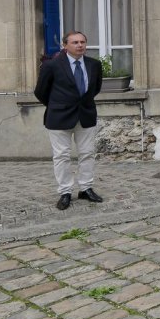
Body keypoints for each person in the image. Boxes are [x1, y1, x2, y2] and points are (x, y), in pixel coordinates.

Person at [34, 30, 104, 210]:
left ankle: (86, 188)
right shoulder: (52, 65)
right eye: (75, 42)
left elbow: (94, 89)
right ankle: (65, 192)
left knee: (87, 153)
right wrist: (58, 105)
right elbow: (41, 91)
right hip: (59, 116)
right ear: (65, 45)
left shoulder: (94, 65)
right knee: (62, 156)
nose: (80, 45)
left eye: (82, 42)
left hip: (85, 115)